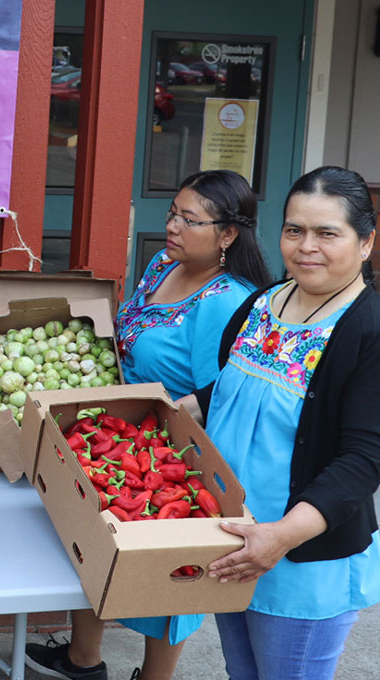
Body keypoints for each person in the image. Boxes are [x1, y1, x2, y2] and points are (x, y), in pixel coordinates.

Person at [26, 170, 270, 680]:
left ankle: (155, 677)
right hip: (117, 427)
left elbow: (215, 395)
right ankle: (82, 660)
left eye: (190, 219)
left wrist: (156, 430)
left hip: (170, 447)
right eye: (172, 214)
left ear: (228, 234)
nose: (173, 227)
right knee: (93, 540)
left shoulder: (226, 300)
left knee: (170, 572)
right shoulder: (163, 263)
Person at [189, 166, 380, 680]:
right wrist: (163, 409)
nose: (306, 246)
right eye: (294, 230)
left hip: (299, 558)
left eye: (327, 233)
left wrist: (279, 538)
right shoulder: (263, 302)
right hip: (235, 542)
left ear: (365, 242)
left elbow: (363, 461)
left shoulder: (368, 331)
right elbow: (233, 392)